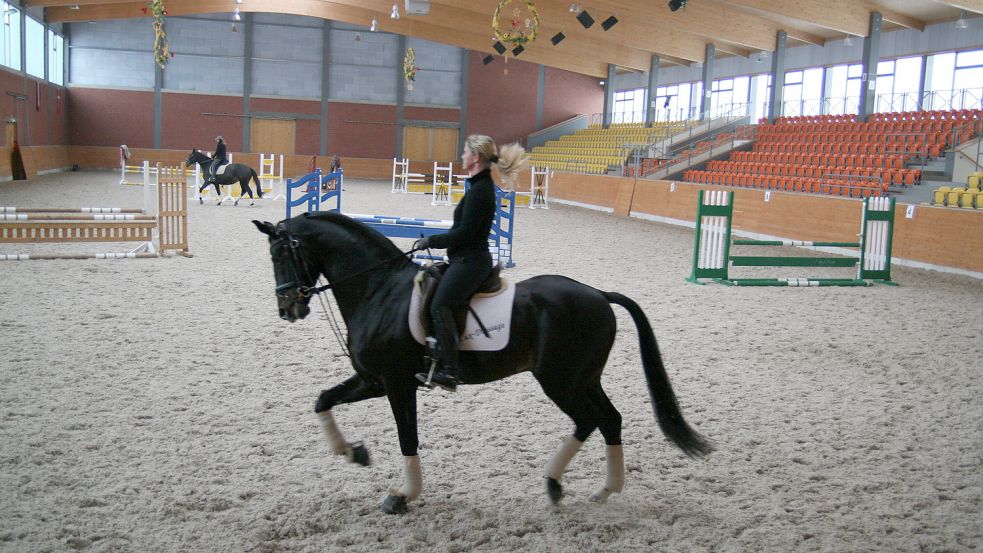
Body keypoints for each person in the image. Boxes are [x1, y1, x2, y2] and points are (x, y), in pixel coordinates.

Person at [413, 135, 525, 391]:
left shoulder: (480, 192)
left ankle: (450, 371)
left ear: (476, 157)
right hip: (463, 258)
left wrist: (432, 240)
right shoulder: (478, 187)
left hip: (472, 262)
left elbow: (465, 233)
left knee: (441, 304)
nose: (461, 155)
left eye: (465, 151)